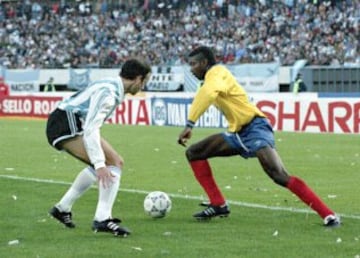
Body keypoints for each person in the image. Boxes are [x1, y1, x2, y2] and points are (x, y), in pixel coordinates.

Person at [177, 46, 340, 227]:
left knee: (278, 174)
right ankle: (218, 204)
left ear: (204, 63)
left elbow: (208, 93)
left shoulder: (217, 72)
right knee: (194, 152)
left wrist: (190, 124)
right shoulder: (210, 79)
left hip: (255, 128)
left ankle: (328, 215)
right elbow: (205, 92)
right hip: (237, 132)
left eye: (193, 64)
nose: (191, 70)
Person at [46, 59, 151, 237]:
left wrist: (100, 163)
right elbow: (91, 128)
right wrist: (99, 163)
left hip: (67, 120)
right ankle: (102, 219)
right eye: (145, 82)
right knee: (109, 163)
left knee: (114, 161)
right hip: (66, 123)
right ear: (138, 78)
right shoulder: (109, 93)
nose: (143, 87)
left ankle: (63, 208)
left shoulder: (112, 86)